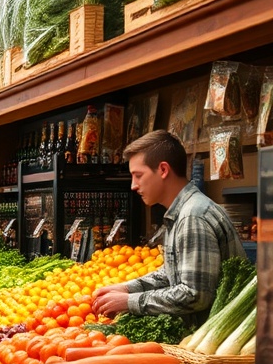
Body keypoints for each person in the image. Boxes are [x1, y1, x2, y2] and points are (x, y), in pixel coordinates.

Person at [93, 130, 245, 326]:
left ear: (163, 170)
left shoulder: (192, 216)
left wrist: (130, 302)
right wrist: (127, 288)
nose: (133, 185)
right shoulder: (182, 212)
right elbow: (172, 273)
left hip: (216, 344)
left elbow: (194, 295)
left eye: (138, 175)